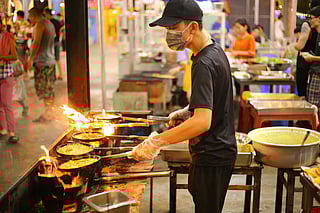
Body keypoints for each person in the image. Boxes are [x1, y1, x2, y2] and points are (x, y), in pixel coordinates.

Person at [131, 0, 237, 212]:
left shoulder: (204, 63)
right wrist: (190, 109)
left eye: (173, 28)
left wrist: (156, 142)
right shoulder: (212, 51)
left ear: (194, 27)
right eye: (167, 29)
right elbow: (212, 103)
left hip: (213, 153)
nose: (169, 34)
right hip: (215, 151)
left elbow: (202, 122)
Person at [26, 8, 56, 122]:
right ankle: (50, 112)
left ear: (33, 16)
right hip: (50, 61)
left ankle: (48, 114)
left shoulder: (39, 25)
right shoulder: (50, 23)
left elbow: (36, 43)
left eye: (29, 16)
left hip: (42, 62)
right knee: (49, 88)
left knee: (43, 89)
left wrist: (30, 59)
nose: (29, 19)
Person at [0, 19, 20, 143]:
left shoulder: (8, 37)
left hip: (6, 75)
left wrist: (1, 57)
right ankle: (3, 129)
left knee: (7, 104)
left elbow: (14, 56)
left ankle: (12, 132)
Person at [301, 5, 320, 109]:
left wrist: (312, 58)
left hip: (318, 74)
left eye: (312, 18)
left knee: (313, 107)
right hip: (315, 73)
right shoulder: (317, 35)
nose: (310, 21)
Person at [43, 8, 63, 80]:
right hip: (57, 42)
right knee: (57, 59)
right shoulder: (57, 22)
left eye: (45, 14)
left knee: (51, 59)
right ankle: (60, 74)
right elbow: (61, 30)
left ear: (48, 14)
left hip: (51, 43)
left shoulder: (48, 23)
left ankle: (53, 75)